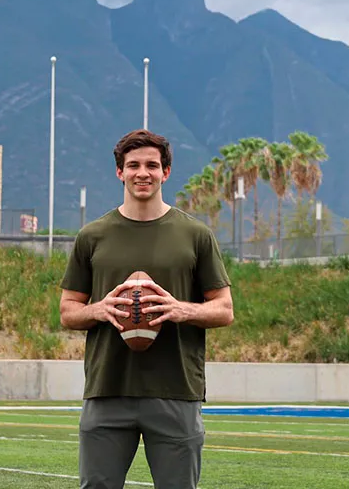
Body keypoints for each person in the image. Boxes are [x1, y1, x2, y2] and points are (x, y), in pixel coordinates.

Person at [59, 128, 234, 489]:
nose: (143, 173)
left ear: (165, 172)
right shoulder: (93, 235)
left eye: (152, 165)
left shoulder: (195, 235)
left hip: (175, 390)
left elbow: (224, 309)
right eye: (133, 165)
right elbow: (67, 311)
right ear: (119, 172)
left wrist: (181, 310)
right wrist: (99, 309)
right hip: (108, 388)